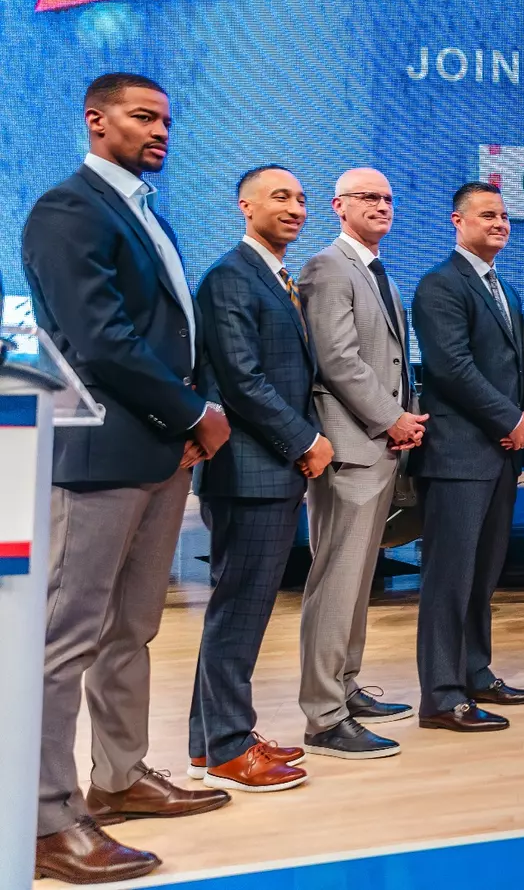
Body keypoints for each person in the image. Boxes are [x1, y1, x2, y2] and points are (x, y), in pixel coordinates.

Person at [24, 73, 232, 883]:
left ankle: (118, 777)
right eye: (144, 117)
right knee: (62, 640)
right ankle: (42, 821)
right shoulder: (68, 209)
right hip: (101, 456)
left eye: (167, 120)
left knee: (130, 629)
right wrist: (193, 413)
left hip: (160, 451)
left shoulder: (146, 212)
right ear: (96, 121)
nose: (160, 132)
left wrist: (185, 421)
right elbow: (101, 339)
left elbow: (170, 334)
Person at [188, 165, 331, 793]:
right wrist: (307, 441)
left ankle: (211, 739)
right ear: (245, 206)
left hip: (267, 472)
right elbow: (242, 380)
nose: (295, 208)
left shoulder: (276, 278)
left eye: (300, 198)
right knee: (238, 612)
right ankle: (228, 747)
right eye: (280, 197)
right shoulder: (230, 276)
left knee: (239, 611)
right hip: (248, 473)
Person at [294, 168, 425, 761]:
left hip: (380, 447)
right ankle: (324, 717)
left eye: (388, 198)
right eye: (368, 197)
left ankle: (345, 689)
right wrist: (392, 418)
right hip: (351, 447)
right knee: (336, 582)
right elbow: (338, 361)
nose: (382, 205)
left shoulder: (376, 271)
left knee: (356, 581)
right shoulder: (327, 267)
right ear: (338, 206)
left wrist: (405, 419)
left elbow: (391, 361)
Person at [411, 182, 524, 733]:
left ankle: (474, 671)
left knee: (482, 576)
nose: (500, 223)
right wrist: (510, 420)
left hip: (500, 456)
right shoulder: (440, 284)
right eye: (487, 214)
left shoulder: (503, 288)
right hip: (458, 455)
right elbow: (452, 368)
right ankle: (441, 696)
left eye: (504, 215)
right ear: (457, 221)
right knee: (449, 580)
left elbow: (515, 368)